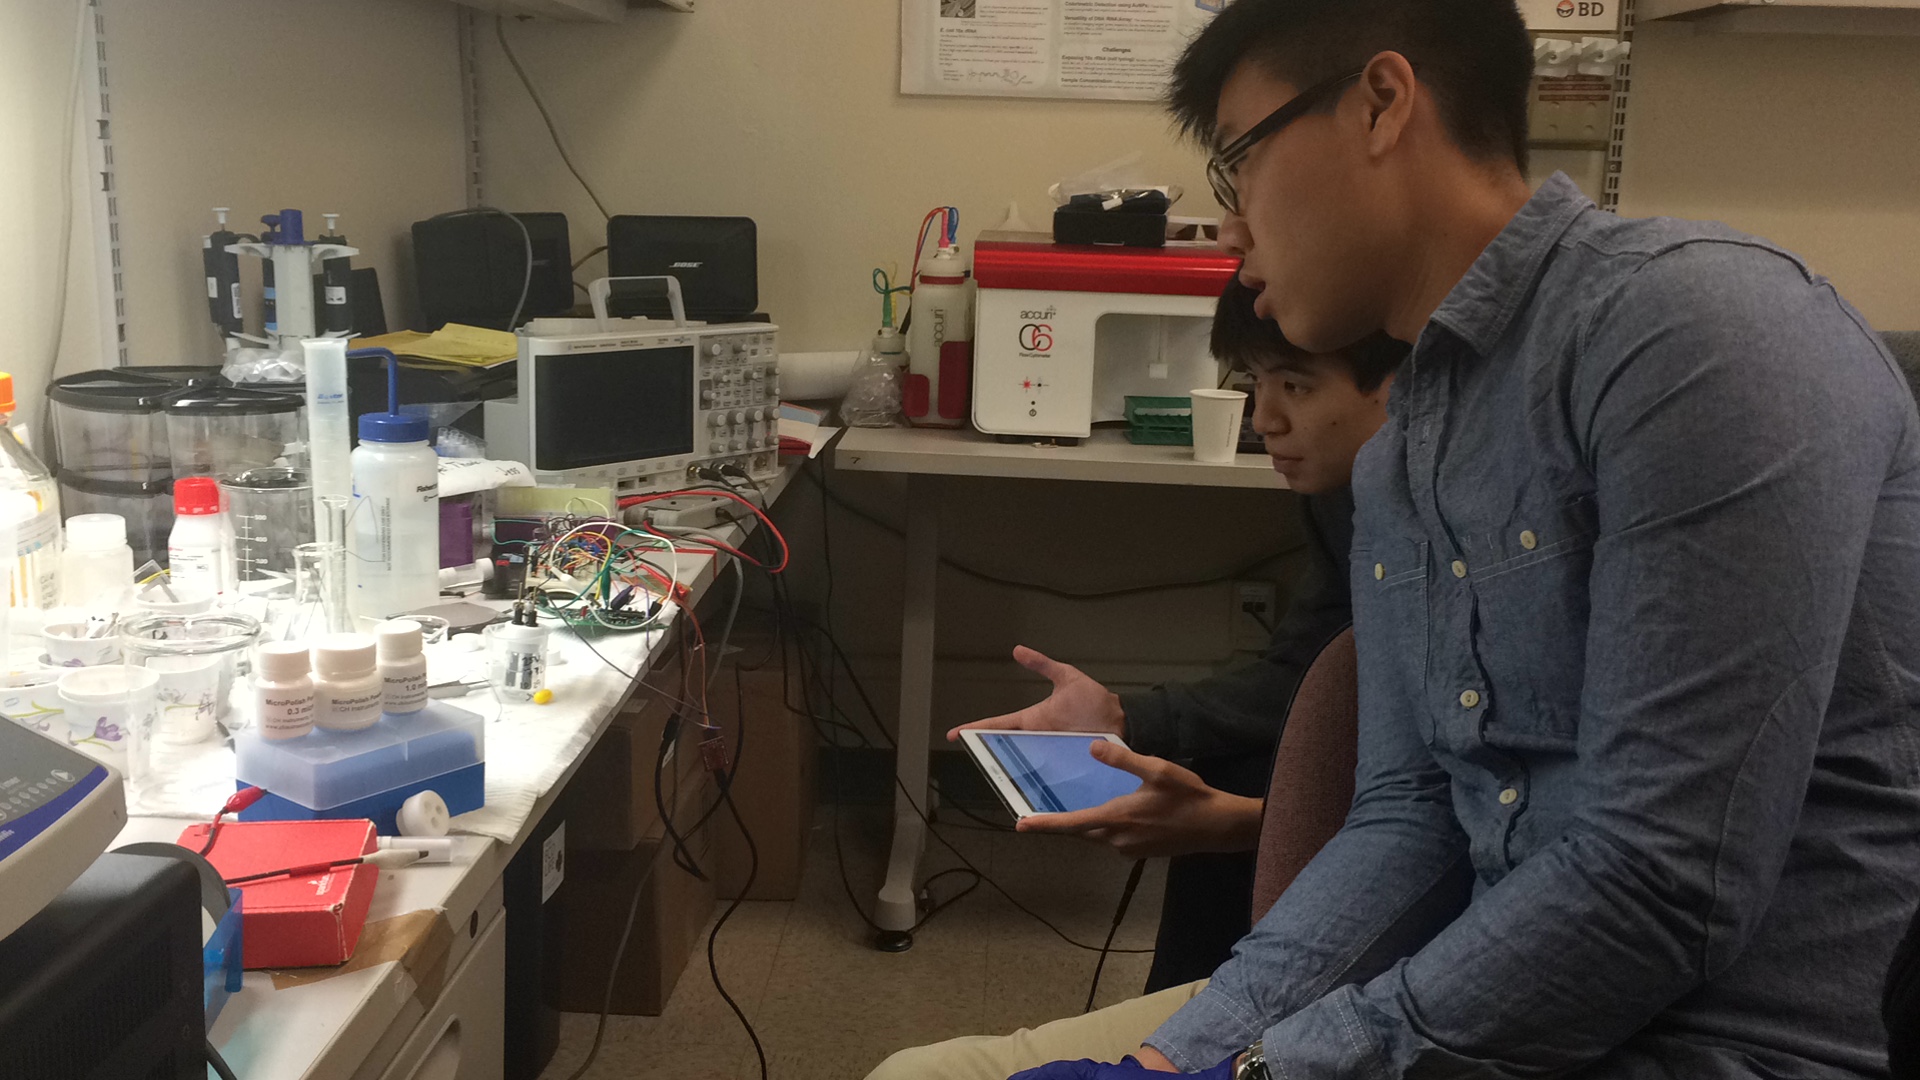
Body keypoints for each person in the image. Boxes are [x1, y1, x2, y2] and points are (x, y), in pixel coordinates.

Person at [869, 0, 1920, 1076]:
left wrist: (1275, 1068)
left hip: (1734, 1042)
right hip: (1488, 992)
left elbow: (1662, 881)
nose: (1230, 234)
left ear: (1381, 104)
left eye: (1237, 166)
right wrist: (1182, 1058)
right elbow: (1410, 823)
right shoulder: (1403, 450)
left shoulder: (1694, 334)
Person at [955, 277, 1403, 990]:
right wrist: (1129, 719)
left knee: (1229, 806)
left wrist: (1243, 825)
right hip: (1398, 787)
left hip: (1454, 841)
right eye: (1256, 384)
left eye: (1297, 386)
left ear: (1403, 383)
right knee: (1228, 767)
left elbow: (1457, 796)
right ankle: (1186, 1032)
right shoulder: (1349, 491)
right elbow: (1305, 671)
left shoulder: (1465, 525)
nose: (1266, 421)